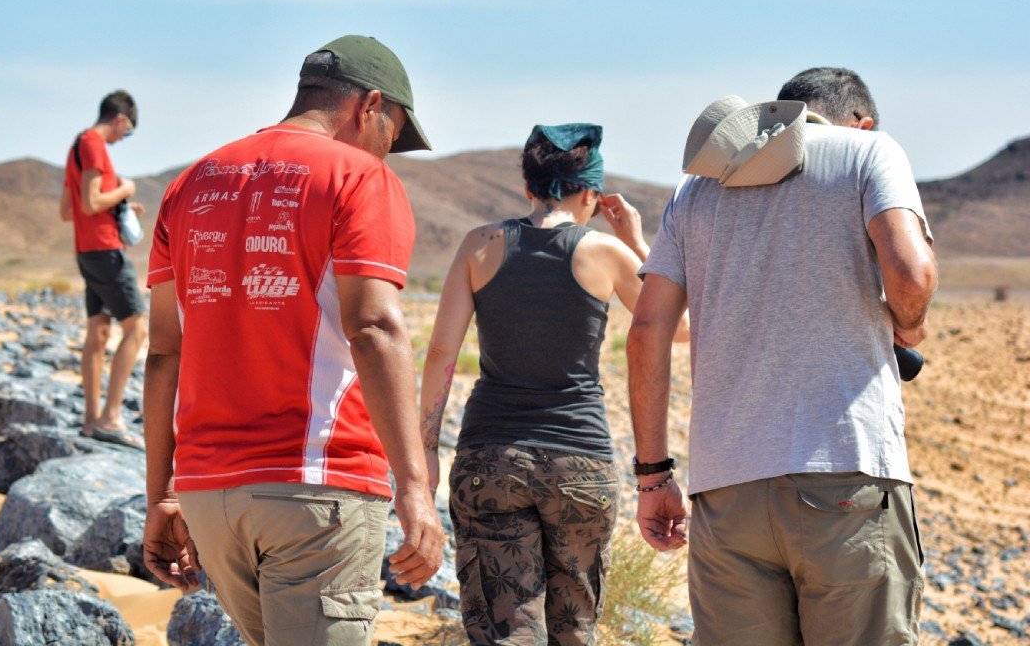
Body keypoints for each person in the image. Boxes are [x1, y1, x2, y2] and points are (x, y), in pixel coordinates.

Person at [141, 35, 445, 646]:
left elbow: (164, 352)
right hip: (316, 485)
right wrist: (415, 489)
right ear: (370, 106)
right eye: (393, 132)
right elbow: (374, 326)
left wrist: (164, 494)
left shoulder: (192, 183)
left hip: (209, 496)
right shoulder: (360, 177)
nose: (389, 151)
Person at [628, 67, 938, 645]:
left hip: (726, 492)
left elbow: (647, 330)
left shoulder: (696, 188)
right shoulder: (870, 152)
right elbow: (910, 273)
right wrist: (909, 326)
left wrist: (652, 479)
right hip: (846, 474)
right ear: (861, 122)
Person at [420, 123, 688, 646]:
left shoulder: (480, 245)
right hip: (580, 465)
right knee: (574, 631)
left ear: (529, 187)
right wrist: (634, 239)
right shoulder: (605, 253)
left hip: (490, 461)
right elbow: (677, 328)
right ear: (590, 191)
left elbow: (439, 354)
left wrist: (426, 448)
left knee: (506, 632)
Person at [60, 89, 147, 449]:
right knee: (137, 330)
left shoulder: (76, 147)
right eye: (126, 133)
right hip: (106, 251)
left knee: (97, 334)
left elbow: (69, 210)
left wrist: (122, 206)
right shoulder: (95, 144)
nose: (122, 139)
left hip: (86, 252)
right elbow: (92, 201)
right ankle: (111, 418)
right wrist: (124, 188)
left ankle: (91, 421)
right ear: (121, 120)